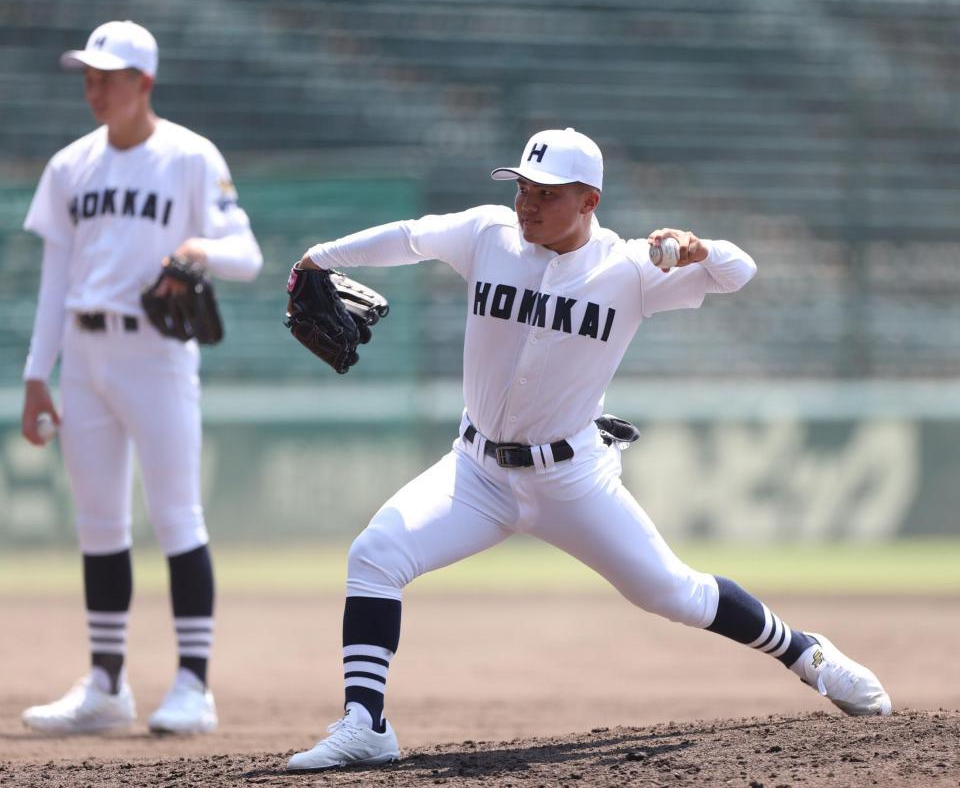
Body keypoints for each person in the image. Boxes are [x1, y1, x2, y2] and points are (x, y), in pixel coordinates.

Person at [285, 128, 890, 771]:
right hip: (476, 471)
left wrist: (695, 247)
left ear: (589, 200)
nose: (527, 203)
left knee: (673, 593)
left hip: (572, 481)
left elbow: (739, 272)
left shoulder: (630, 268)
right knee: (376, 554)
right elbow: (408, 236)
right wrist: (315, 259)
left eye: (545, 193)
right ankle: (366, 723)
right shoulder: (488, 233)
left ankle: (806, 653)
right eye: (522, 186)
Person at [20, 20, 263, 735]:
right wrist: (38, 373)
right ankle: (107, 683)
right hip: (85, 355)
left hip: (155, 354)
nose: (94, 88)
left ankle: (194, 684)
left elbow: (246, 253)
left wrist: (200, 248)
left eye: (108, 76)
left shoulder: (189, 157)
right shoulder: (70, 165)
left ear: (144, 83)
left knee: (176, 516)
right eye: (88, 76)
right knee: (98, 523)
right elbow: (55, 277)